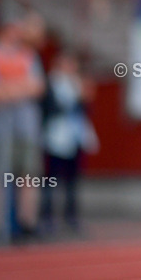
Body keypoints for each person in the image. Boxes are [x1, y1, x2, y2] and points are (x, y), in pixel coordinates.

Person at [0, 6, 46, 239]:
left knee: (28, 173)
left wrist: (9, 90)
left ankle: (27, 223)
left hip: (26, 123)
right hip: (0, 121)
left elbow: (37, 86)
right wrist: (19, 88)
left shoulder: (27, 54)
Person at [40, 52, 97, 234]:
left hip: (75, 137)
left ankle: (71, 215)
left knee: (72, 180)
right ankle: (47, 216)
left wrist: (83, 95)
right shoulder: (50, 83)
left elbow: (86, 110)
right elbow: (48, 108)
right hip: (55, 138)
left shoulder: (78, 84)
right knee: (51, 179)